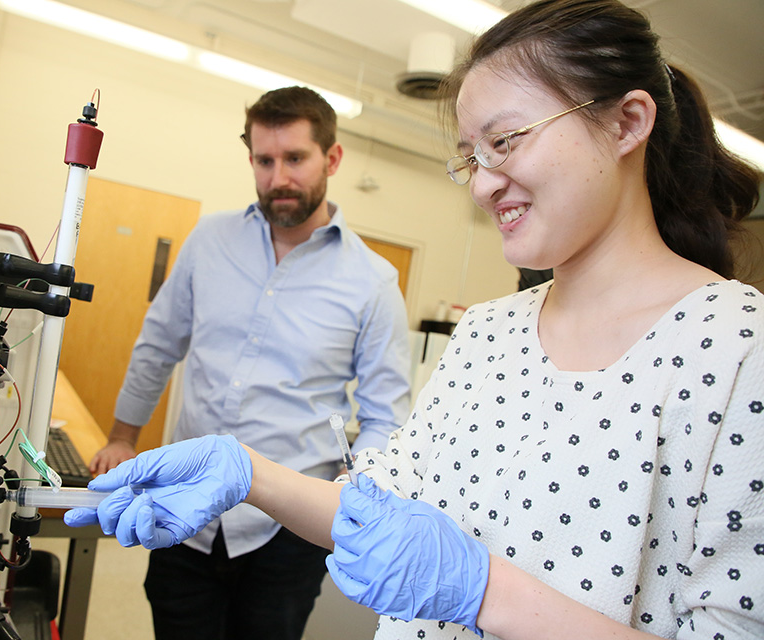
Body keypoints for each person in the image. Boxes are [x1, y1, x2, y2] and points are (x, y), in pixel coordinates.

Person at [67, 1, 764, 638]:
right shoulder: (490, 333)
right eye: (472, 155)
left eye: (508, 139)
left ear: (627, 123)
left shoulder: (736, 350)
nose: (485, 181)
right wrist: (247, 473)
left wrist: (485, 590)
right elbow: (379, 500)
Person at [87, 85, 413, 640]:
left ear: (331, 159)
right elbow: (158, 344)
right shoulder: (210, 240)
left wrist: (351, 485)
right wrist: (123, 436)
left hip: (288, 531)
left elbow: (386, 412)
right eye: (265, 160)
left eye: (295, 158)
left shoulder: (373, 281)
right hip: (182, 512)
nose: (278, 177)